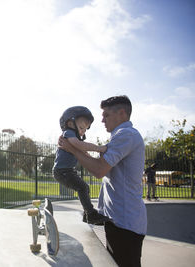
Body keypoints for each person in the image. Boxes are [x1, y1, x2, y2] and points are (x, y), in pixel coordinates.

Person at [58, 96, 146, 267]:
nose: (102, 120)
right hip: (118, 220)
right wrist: (72, 149)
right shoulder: (118, 137)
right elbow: (99, 164)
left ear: (121, 113)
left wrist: (72, 149)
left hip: (125, 223)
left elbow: (99, 169)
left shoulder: (126, 135)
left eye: (106, 115)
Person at [53, 106, 110, 225]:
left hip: (67, 171)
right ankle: (91, 215)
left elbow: (84, 153)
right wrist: (99, 148)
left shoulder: (75, 138)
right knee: (82, 188)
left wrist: (96, 160)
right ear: (70, 123)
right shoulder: (68, 133)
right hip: (62, 171)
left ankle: (87, 214)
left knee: (84, 188)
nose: (83, 131)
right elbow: (78, 145)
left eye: (85, 129)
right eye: (81, 127)